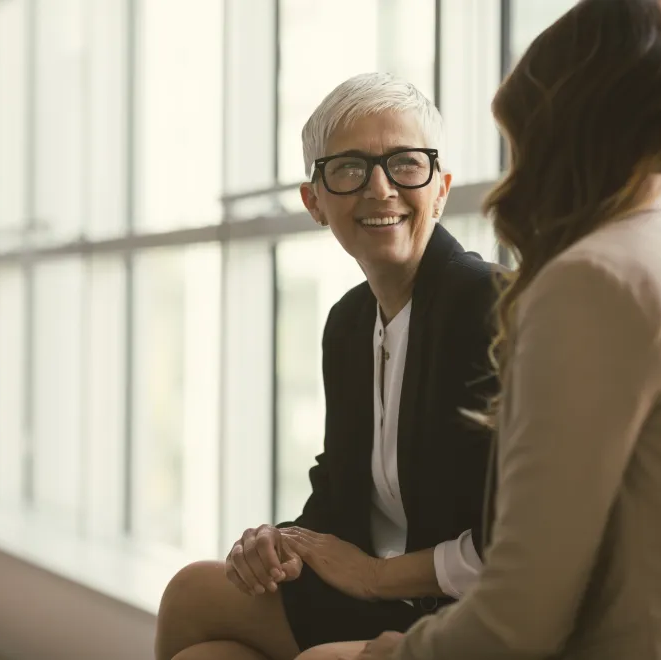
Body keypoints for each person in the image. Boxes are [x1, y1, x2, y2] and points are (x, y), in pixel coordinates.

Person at [321, 1, 661, 659]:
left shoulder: (595, 279)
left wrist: (381, 651)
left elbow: (515, 617)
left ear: (557, 131)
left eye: (517, 140)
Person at [155, 73, 502, 660]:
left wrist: (374, 577)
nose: (381, 188)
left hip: (471, 606)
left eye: (405, 164)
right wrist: (279, 541)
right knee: (192, 597)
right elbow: (342, 491)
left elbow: (522, 540)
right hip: (386, 596)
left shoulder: (489, 305)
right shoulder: (347, 322)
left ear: (440, 188)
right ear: (314, 201)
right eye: (348, 168)